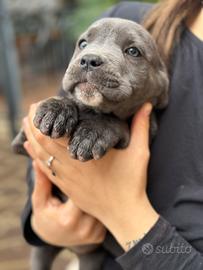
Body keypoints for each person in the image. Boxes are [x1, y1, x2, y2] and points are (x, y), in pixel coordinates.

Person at [22, 0, 203, 269]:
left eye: (131, 51)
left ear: (161, 84)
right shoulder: (127, 17)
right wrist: (46, 223)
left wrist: (124, 216)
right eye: (83, 45)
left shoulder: (159, 91)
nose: (92, 55)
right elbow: (39, 149)